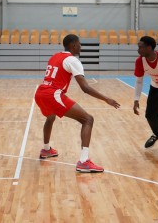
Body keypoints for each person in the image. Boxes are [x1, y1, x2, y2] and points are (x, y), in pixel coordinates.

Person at [35, 34, 120, 173]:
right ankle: (84, 162)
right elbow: (85, 88)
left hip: (40, 93)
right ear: (73, 45)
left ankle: (46, 150)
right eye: (79, 44)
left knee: (50, 117)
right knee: (88, 119)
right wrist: (106, 99)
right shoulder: (73, 60)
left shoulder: (54, 56)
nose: (81, 46)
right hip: (52, 94)